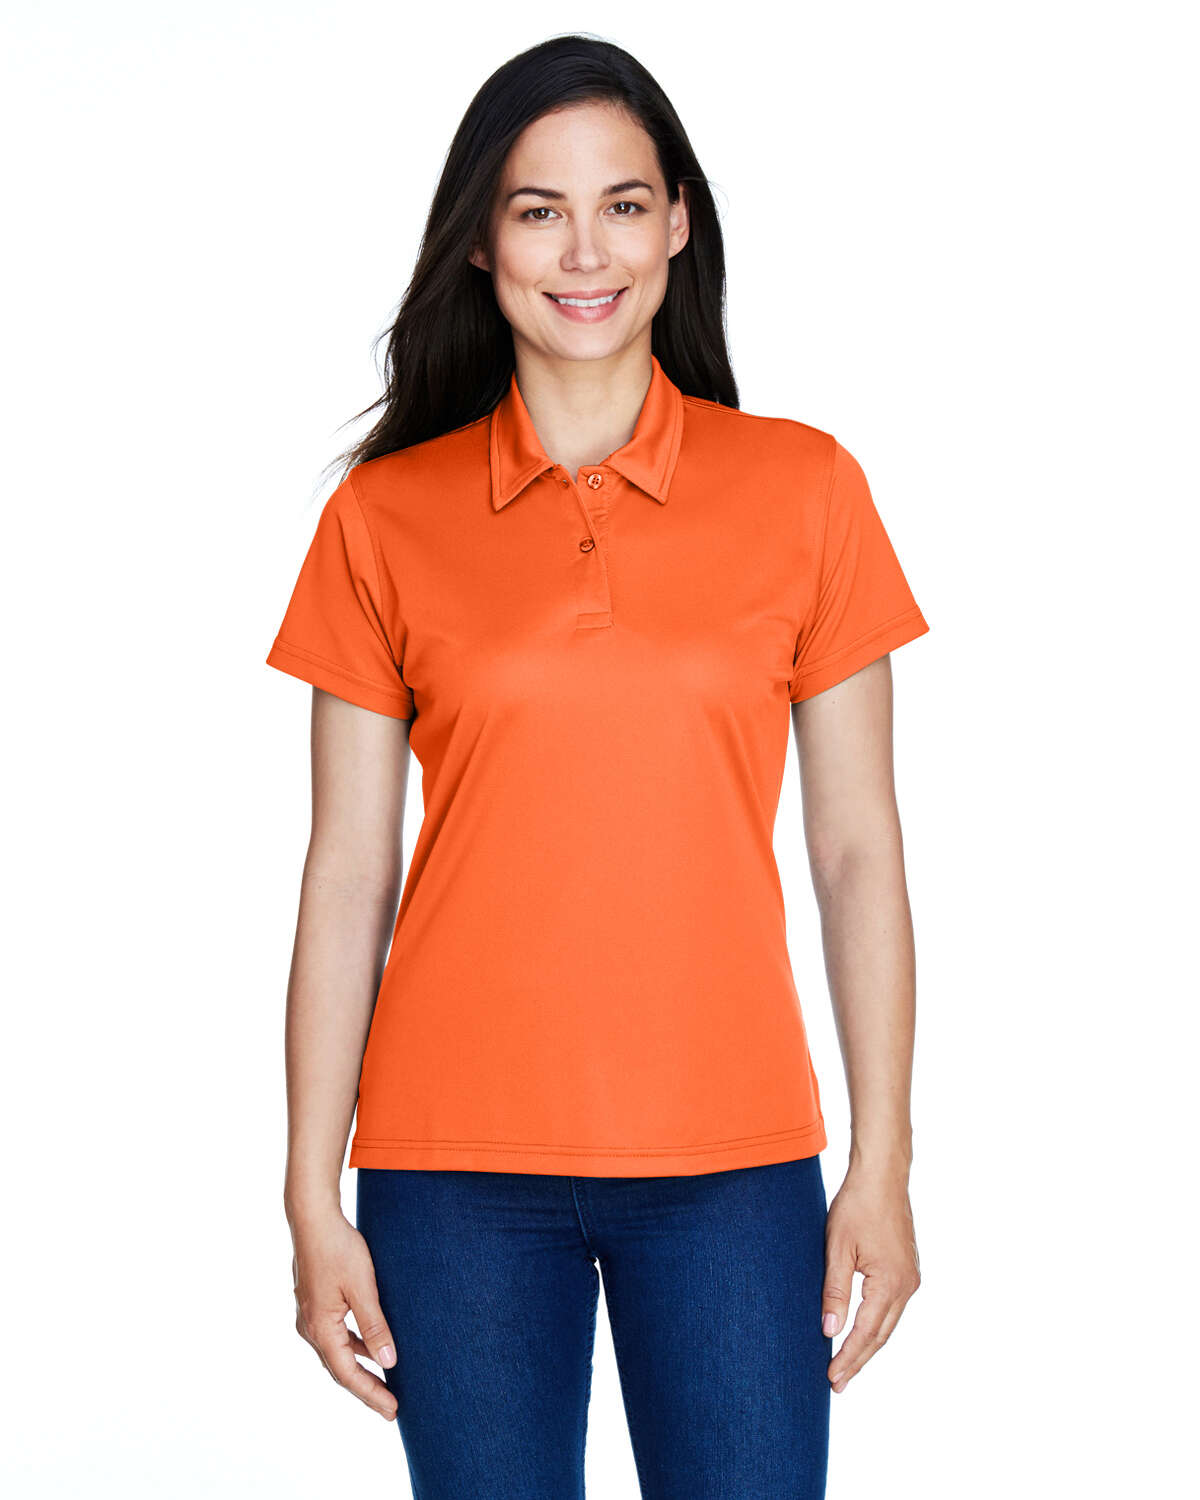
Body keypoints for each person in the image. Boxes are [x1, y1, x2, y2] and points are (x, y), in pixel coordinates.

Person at [266, 34, 928, 1500]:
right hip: (451, 1176)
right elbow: (349, 869)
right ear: (480, 241)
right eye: (538, 210)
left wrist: (881, 1162)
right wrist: (310, 1191)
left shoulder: (807, 489)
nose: (585, 253)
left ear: (678, 223)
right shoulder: (382, 518)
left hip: (735, 1166)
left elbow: (856, 851)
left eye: (623, 206)